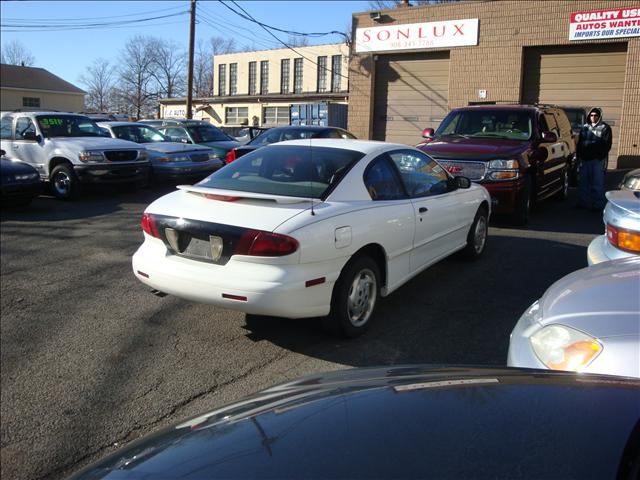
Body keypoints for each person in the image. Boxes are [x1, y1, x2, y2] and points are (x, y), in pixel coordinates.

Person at [575, 107, 612, 210]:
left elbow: (607, 145)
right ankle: (583, 203)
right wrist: (579, 157)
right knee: (583, 183)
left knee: (597, 183)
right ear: (589, 116)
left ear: (599, 116)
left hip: (597, 160)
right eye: (591, 115)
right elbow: (580, 144)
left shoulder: (605, 128)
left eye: (596, 115)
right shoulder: (584, 127)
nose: (593, 117)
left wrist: (600, 157)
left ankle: (597, 204)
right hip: (584, 160)